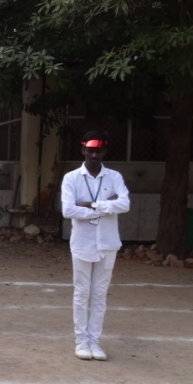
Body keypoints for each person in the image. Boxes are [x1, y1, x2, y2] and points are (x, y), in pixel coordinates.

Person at [60, 130, 130, 361]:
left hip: (108, 243)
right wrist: (106, 206)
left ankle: (94, 341)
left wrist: (91, 205)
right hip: (82, 243)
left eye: (98, 150)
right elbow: (68, 210)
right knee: (82, 293)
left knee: (99, 295)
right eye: (90, 150)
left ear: (104, 152)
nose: (94, 154)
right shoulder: (71, 178)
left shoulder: (114, 177)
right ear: (83, 150)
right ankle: (81, 340)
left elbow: (125, 204)